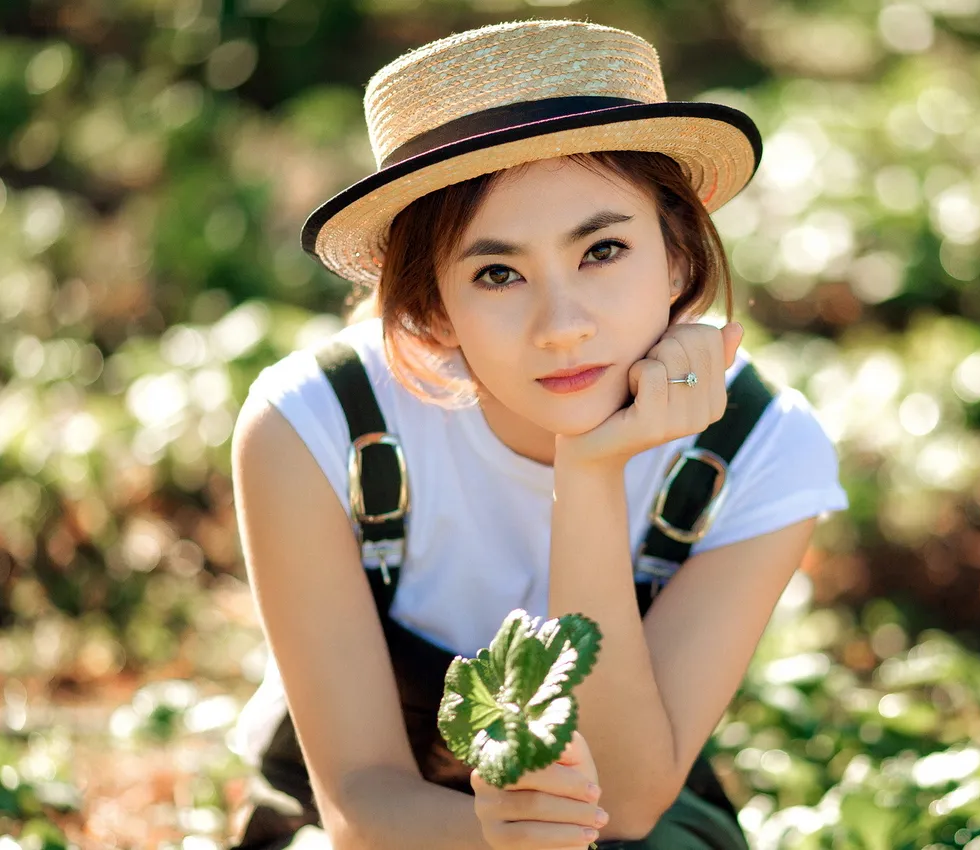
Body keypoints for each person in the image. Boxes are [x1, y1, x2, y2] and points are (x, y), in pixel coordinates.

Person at [224, 18, 848, 850]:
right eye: (497, 272)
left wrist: (589, 474)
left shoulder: (762, 447)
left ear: (677, 256)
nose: (562, 326)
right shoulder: (316, 425)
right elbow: (359, 805)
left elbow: (625, 807)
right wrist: (499, 835)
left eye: (603, 251)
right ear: (430, 306)